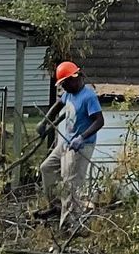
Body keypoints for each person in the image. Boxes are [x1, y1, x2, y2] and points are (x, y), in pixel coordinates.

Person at [38, 60, 103, 232]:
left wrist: (81, 138)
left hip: (80, 147)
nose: (64, 87)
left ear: (75, 78)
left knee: (70, 185)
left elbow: (99, 121)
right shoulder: (69, 93)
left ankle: (70, 225)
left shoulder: (88, 97)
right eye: (62, 84)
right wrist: (44, 122)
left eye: (65, 83)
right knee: (46, 168)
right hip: (65, 143)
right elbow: (58, 104)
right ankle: (55, 206)